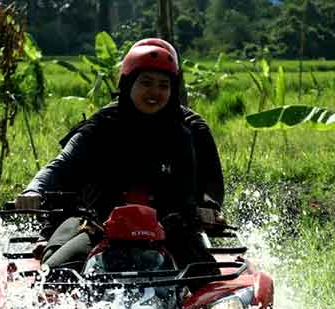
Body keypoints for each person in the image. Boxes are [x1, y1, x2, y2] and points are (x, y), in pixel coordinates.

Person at [14, 38, 224, 271]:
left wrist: (208, 209)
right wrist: (34, 189)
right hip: (101, 229)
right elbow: (61, 165)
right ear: (128, 84)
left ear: (173, 90)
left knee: (208, 279)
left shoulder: (189, 131)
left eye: (163, 85)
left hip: (170, 230)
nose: (154, 92)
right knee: (56, 273)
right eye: (146, 83)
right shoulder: (101, 125)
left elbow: (208, 184)